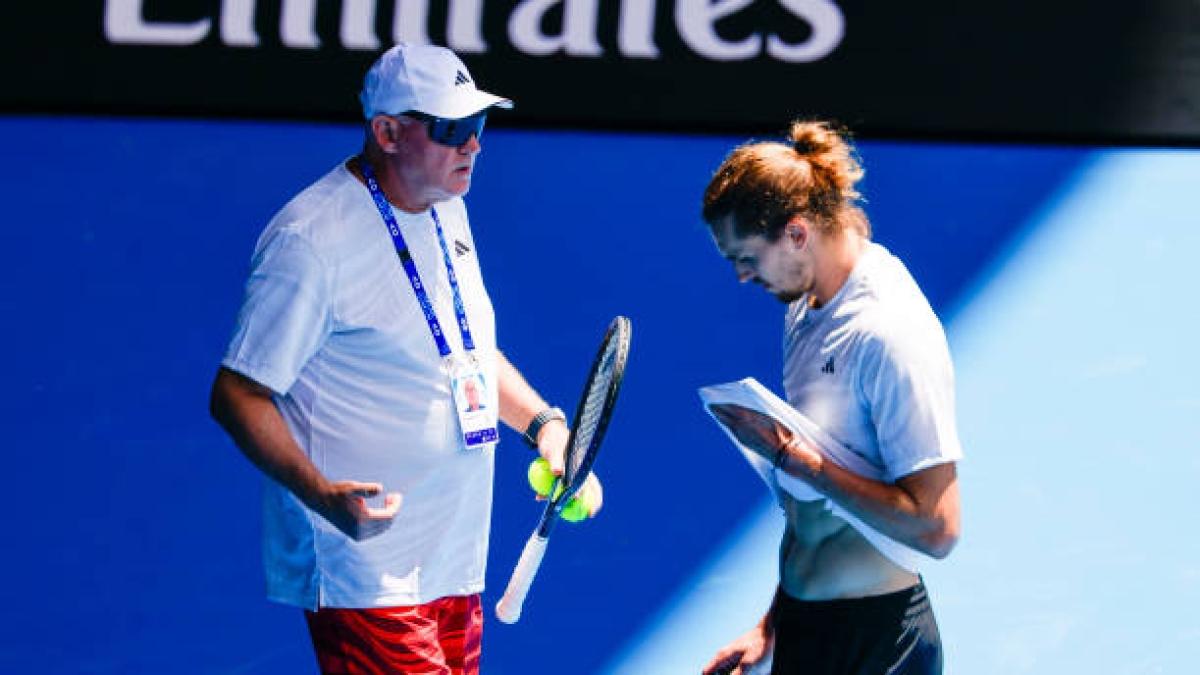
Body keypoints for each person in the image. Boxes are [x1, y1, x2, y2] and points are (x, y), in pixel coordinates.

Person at [209, 42, 601, 675]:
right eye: (451, 129)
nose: (473, 145)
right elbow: (236, 394)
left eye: (477, 125)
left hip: (454, 555)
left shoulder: (450, 208)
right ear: (387, 132)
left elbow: (467, 353)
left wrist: (545, 426)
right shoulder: (311, 241)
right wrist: (323, 495)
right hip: (365, 570)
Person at [699, 120, 963, 675]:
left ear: (796, 234)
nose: (742, 277)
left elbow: (938, 527)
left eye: (746, 257)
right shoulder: (805, 308)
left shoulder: (888, 332)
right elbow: (815, 508)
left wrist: (797, 461)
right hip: (805, 627)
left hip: (878, 645)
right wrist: (773, 625)